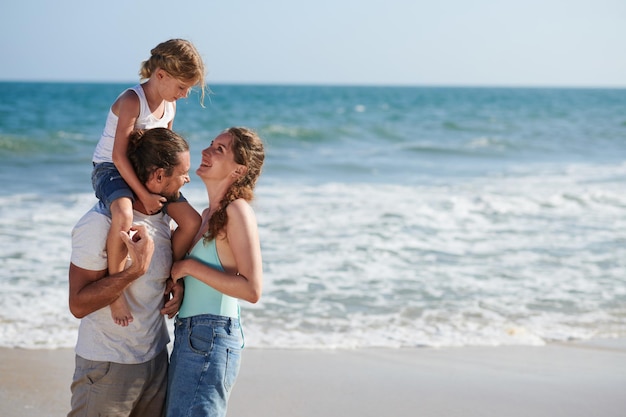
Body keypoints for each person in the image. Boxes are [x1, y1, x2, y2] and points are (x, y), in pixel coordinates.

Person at [68, 127, 192, 417]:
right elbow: (78, 304)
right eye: (182, 173)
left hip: (155, 359)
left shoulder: (162, 216)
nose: (188, 179)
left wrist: (177, 280)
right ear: (158, 176)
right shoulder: (98, 223)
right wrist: (134, 271)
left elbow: (185, 238)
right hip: (108, 365)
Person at [91, 38, 205, 326]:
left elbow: (166, 150)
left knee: (192, 221)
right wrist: (144, 194)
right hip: (112, 168)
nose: (185, 94)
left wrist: (169, 186)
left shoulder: (170, 107)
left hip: (147, 171)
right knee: (124, 213)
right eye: (182, 87)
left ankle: (171, 275)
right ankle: (115, 289)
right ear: (161, 75)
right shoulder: (132, 101)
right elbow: (118, 155)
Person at [165, 127, 265, 417]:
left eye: (219, 150)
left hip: (211, 336)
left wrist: (188, 266)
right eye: (210, 144)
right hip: (192, 333)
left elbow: (251, 289)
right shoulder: (208, 215)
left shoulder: (237, 211)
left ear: (239, 170)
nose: (205, 152)